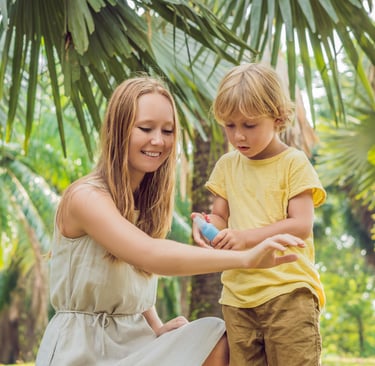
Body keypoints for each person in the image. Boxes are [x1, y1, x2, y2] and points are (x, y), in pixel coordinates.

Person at [35, 75, 306, 366]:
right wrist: (246, 258)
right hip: (82, 350)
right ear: (118, 129)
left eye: (167, 130)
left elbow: (130, 276)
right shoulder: (85, 198)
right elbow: (149, 255)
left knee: (218, 336)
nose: (158, 140)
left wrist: (156, 326)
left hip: (136, 341)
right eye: (145, 128)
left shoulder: (144, 204)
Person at [192, 63, 327, 366]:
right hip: (237, 298)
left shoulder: (294, 163)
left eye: (249, 125)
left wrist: (244, 237)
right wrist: (205, 226)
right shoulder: (227, 166)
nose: (238, 135)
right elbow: (220, 218)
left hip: (289, 292)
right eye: (229, 125)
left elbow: (302, 224)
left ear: (278, 118)